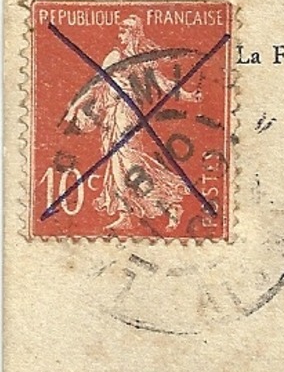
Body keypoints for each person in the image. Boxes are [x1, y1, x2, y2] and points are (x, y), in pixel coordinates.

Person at [63, 15, 200, 231]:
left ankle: (168, 207)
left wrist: (188, 95)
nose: (120, 34)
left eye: (125, 30)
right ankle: (126, 213)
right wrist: (75, 106)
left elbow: (163, 83)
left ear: (135, 32)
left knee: (129, 164)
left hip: (127, 113)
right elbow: (97, 85)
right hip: (111, 115)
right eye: (120, 30)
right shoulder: (114, 56)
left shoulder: (144, 56)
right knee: (118, 166)